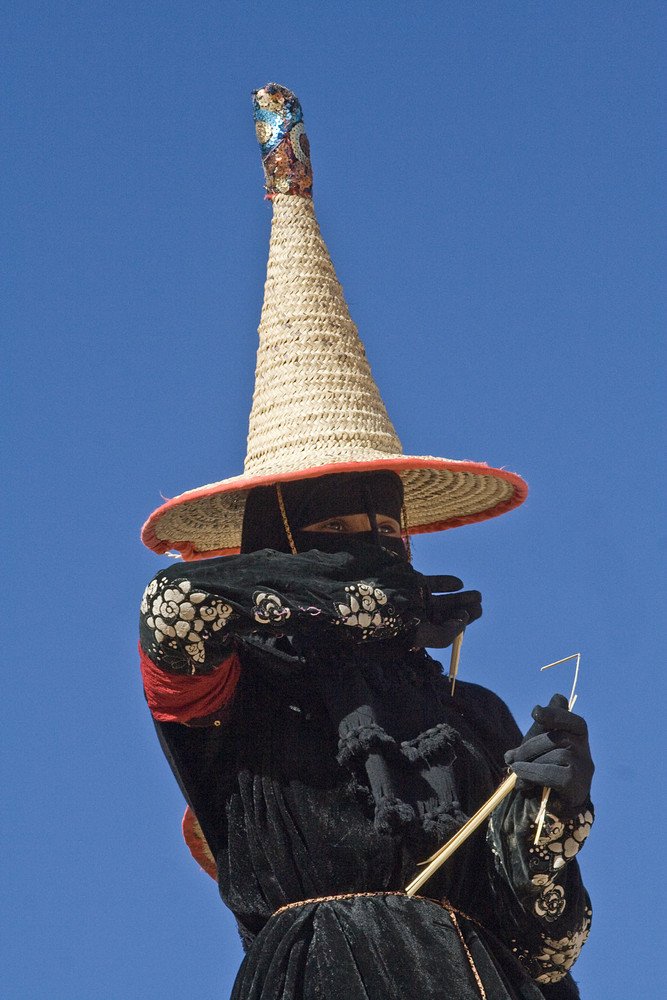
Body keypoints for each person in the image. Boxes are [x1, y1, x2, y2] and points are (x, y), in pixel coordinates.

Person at [139, 85, 594, 1000]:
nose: (377, 556)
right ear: (278, 542)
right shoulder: (238, 697)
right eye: (340, 538)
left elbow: (550, 952)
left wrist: (551, 815)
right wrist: (335, 599)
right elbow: (173, 613)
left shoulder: (471, 714)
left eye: (388, 536)